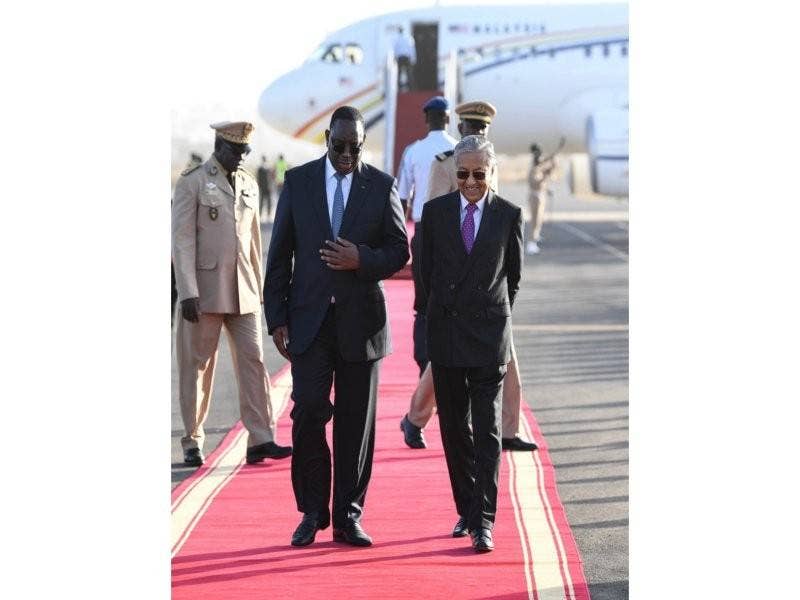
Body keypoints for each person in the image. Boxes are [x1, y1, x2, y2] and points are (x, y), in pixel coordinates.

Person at [264, 106, 409, 548]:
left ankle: (348, 515)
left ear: (363, 143)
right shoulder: (300, 182)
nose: (347, 154)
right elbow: (280, 255)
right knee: (308, 411)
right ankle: (312, 511)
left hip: (360, 324)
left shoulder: (381, 185)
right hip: (309, 323)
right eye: (339, 145)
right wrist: (277, 318)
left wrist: (361, 259)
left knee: (354, 425)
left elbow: (400, 249)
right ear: (327, 138)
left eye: (355, 147)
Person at [400, 101, 537, 454]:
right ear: (459, 128)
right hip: (454, 284)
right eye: (471, 128)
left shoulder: (490, 163)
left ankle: (507, 430)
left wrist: (503, 297)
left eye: (482, 129)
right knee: (443, 363)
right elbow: (433, 223)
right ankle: (415, 417)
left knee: (506, 355)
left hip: (488, 287)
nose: (476, 134)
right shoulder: (446, 165)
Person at [420, 135, 523, 552]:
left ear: (491, 172)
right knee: (453, 429)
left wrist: (492, 314)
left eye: (479, 173)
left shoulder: (508, 215)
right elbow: (425, 275)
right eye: (463, 173)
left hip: (488, 337)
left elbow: (512, 279)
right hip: (446, 335)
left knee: (487, 430)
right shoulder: (435, 214)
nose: (471, 181)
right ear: (453, 173)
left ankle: (484, 519)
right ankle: (466, 506)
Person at [172, 121, 292, 467]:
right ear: (219, 146)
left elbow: (253, 242)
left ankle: (261, 438)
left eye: (245, 151)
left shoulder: (250, 184)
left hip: (244, 291)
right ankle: (193, 439)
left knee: (253, 361)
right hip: (204, 292)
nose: (242, 157)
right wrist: (187, 293)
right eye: (237, 150)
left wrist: (260, 288)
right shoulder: (192, 181)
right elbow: (181, 241)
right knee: (198, 366)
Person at [397, 96, 458, 375]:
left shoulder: (413, 151)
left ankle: (425, 364)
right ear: (448, 119)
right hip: (454, 233)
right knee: (453, 300)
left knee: (423, 303)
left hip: (423, 232)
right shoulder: (459, 149)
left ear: (426, 119)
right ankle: (449, 360)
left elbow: (401, 199)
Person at [526, 140, 562, 255]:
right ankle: (531, 243)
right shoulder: (534, 170)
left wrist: (551, 165)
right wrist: (546, 175)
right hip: (535, 196)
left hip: (540, 195)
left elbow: (547, 167)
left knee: (539, 219)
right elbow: (536, 183)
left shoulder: (538, 167)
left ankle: (535, 237)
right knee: (535, 220)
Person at [257, 154, 274, 223]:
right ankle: (260, 215)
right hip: (263, 188)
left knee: (269, 202)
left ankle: (268, 215)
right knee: (262, 202)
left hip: (268, 188)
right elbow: (258, 179)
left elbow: (271, 178)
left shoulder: (268, 168)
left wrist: (271, 186)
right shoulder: (260, 168)